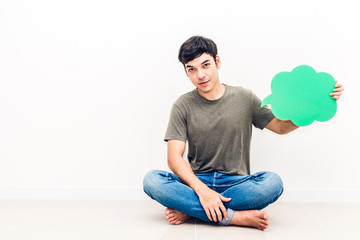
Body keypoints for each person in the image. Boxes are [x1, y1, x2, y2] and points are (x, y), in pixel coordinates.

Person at [142, 36, 344, 230]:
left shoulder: (244, 97)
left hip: (236, 184)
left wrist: (315, 105)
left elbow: (281, 127)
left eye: (205, 65)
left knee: (273, 183)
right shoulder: (182, 105)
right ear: (186, 72)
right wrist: (203, 192)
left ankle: (192, 210)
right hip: (198, 181)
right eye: (192, 69)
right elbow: (174, 158)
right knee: (152, 180)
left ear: (217, 62)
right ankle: (231, 216)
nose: (200, 75)